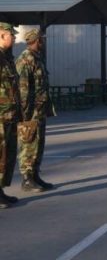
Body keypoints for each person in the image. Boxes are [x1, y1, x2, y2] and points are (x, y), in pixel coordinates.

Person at [16, 28, 55, 192]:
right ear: (36, 40)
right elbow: (23, 89)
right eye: (42, 40)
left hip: (39, 110)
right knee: (28, 144)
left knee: (38, 144)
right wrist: (25, 113)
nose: (43, 42)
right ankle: (26, 179)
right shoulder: (25, 59)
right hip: (30, 112)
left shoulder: (37, 58)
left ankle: (35, 175)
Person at [0, 22, 21, 207]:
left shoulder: (7, 58)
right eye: (11, 35)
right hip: (1, 116)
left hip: (9, 115)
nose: (14, 38)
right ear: (1, 36)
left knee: (7, 155)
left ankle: (0, 191)